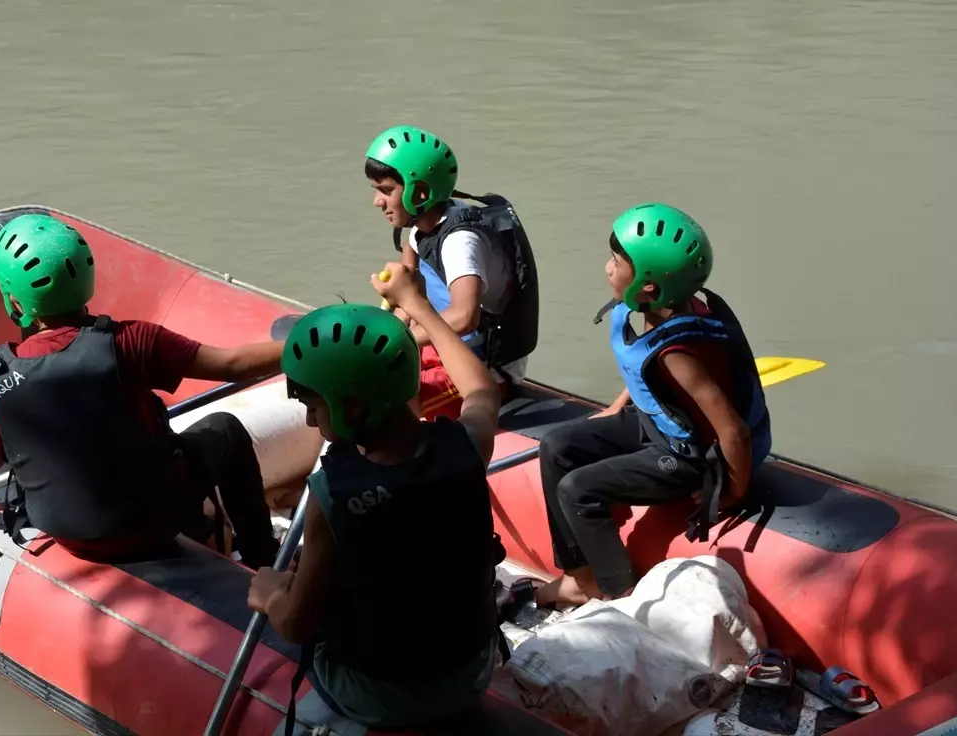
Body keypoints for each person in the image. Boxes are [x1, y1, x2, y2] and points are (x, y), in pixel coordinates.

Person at [0, 213, 283, 569]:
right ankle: (263, 560)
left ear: (17, 303)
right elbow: (231, 365)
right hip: (153, 521)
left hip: (74, 536)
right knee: (225, 429)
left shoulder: (2, 380)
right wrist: (303, 348)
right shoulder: (131, 342)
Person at [247, 263, 503, 731]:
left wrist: (270, 596)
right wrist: (419, 305)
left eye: (311, 405)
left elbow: (297, 626)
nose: (308, 422)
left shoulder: (331, 498)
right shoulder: (467, 447)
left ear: (354, 408)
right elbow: (482, 390)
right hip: (470, 677)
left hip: (378, 697)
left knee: (295, 592)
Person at [535, 203, 772, 608]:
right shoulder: (659, 307)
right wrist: (617, 407)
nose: (607, 267)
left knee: (578, 489)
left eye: (616, 260)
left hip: (687, 457)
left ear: (647, 285)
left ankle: (616, 588)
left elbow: (732, 429)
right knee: (556, 446)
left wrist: (731, 493)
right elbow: (643, 372)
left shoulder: (680, 351)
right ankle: (578, 575)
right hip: (654, 425)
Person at [364, 124, 539, 419]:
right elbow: (407, 296)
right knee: (359, 370)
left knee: (378, 398)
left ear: (419, 192)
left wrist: (399, 342)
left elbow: (464, 317)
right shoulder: (420, 228)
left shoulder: (460, 241)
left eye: (386, 190)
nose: (377, 201)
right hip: (439, 345)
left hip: (480, 368)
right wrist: (384, 340)